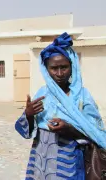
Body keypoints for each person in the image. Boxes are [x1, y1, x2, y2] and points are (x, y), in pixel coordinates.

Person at [15, 32, 106, 180]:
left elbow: (96, 135)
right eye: (54, 68)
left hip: (69, 164)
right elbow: (26, 132)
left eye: (64, 67)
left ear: (73, 66)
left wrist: (70, 129)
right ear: (46, 69)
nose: (59, 73)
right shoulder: (43, 94)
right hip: (40, 161)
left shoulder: (82, 97)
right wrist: (29, 114)